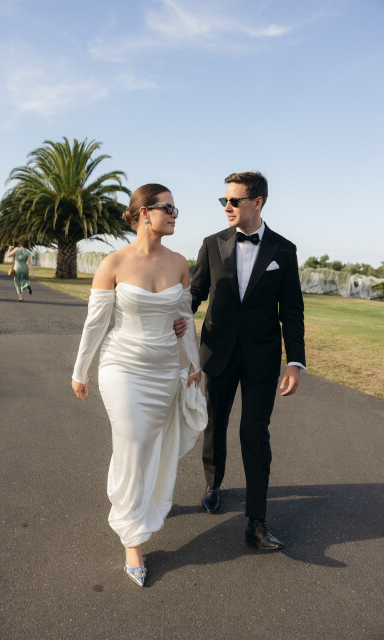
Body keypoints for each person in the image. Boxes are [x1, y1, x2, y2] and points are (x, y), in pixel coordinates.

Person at [71, 184, 206, 587]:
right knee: (132, 444)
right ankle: (132, 539)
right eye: (169, 208)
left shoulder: (179, 263)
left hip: (163, 370)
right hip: (121, 367)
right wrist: (80, 370)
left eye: (176, 209)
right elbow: (95, 323)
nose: (175, 214)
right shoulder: (113, 263)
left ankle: (143, 503)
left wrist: (195, 363)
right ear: (145, 213)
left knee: (150, 445)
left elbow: (184, 318)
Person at [178, 171, 306, 550]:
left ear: (258, 202)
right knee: (214, 424)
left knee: (255, 434)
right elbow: (196, 292)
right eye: (224, 200)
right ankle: (212, 484)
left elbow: (292, 310)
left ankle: (257, 522)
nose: (227, 207)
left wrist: (295, 361)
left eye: (234, 200)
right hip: (217, 352)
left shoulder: (284, 250)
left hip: (261, 358)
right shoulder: (212, 243)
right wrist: (173, 320)